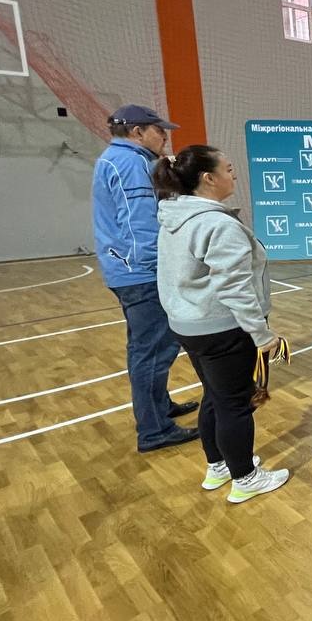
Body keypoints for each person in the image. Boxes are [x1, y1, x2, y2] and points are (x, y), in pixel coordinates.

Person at [152, 145, 289, 503]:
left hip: (189, 325)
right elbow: (235, 288)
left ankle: (220, 466)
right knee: (235, 405)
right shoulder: (217, 224)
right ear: (208, 178)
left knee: (214, 396)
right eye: (228, 169)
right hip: (223, 329)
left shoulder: (174, 216)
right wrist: (261, 334)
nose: (234, 174)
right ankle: (246, 478)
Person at [91, 104, 199, 453]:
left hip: (127, 271)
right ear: (137, 132)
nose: (164, 136)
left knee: (147, 347)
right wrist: (163, 268)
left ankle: (160, 408)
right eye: (158, 130)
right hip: (140, 273)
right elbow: (139, 225)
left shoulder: (120, 159)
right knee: (152, 350)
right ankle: (154, 430)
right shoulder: (129, 163)